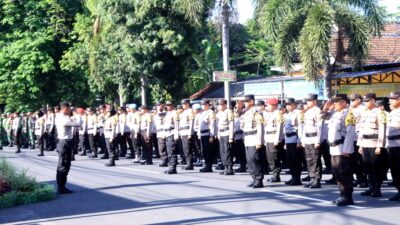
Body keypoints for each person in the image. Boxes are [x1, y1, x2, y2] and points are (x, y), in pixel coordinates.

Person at [321, 94, 356, 206]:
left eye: (337, 102)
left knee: (344, 173)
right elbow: (322, 116)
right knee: (337, 173)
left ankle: (348, 197)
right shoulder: (334, 114)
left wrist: (347, 149)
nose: (334, 104)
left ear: (344, 103)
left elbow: (350, 133)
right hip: (333, 148)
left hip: (342, 148)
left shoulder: (348, 113)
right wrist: (326, 107)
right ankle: (342, 195)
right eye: (334, 102)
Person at [358, 93, 386, 198]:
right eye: (364, 101)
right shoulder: (364, 113)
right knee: (368, 167)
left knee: (376, 167)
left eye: (367, 101)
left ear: (373, 101)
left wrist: (380, 145)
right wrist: (360, 145)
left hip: (374, 143)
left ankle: (377, 189)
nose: (365, 103)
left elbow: (382, 130)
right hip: (365, 143)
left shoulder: (380, 113)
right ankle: (371, 187)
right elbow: (361, 129)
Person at [241, 95, 264, 188]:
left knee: (255, 159)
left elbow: (260, 127)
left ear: (252, 101)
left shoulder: (257, 113)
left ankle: (259, 179)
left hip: (254, 137)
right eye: (245, 101)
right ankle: (254, 178)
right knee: (249, 160)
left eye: (247, 101)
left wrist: (259, 141)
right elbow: (243, 126)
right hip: (247, 138)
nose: (245, 103)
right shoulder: (246, 113)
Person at [55, 101, 79, 194]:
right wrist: (76, 114)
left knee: (62, 165)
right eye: (69, 109)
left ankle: (61, 186)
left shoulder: (59, 116)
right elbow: (78, 123)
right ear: (65, 109)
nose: (70, 111)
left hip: (62, 142)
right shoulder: (64, 118)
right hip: (65, 142)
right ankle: (61, 188)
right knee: (64, 165)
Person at [301, 94, 323, 188]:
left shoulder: (318, 111)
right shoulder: (307, 112)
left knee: (316, 160)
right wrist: (303, 139)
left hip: (314, 139)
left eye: (309, 101)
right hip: (307, 139)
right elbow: (305, 127)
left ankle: (317, 180)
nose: (307, 102)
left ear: (314, 101)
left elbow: (320, 127)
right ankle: (312, 178)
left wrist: (318, 141)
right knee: (309, 159)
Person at [349, 93, 368, 188]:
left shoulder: (363, 109)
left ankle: (364, 179)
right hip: (353, 137)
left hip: (361, 137)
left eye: (353, 100)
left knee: (361, 160)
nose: (351, 102)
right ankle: (359, 178)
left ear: (358, 100)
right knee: (354, 160)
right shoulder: (352, 109)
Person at [264, 98, 284, 183]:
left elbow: (279, 127)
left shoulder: (278, 114)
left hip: (274, 137)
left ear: (273, 105)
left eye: (268, 105)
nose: (267, 106)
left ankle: (276, 175)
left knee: (275, 157)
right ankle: (273, 173)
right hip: (268, 138)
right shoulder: (267, 114)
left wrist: (277, 139)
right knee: (269, 157)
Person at [284, 98, 303, 186]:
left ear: (294, 104)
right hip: (288, 139)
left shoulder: (298, 113)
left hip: (295, 139)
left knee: (296, 160)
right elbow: (286, 129)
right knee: (290, 160)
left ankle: (297, 178)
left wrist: (299, 141)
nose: (288, 106)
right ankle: (293, 177)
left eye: (290, 104)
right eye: (287, 104)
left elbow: (300, 127)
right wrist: (285, 142)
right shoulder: (287, 115)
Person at [386, 91, 400, 201]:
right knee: (395, 170)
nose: (390, 101)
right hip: (392, 145)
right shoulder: (392, 113)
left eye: (393, 98)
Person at [215, 99, 234, 175]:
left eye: (222, 104)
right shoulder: (219, 113)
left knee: (227, 151)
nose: (220, 106)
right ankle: (225, 167)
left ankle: (230, 168)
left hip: (227, 133)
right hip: (221, 133)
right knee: (222, 151)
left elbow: (231, 124)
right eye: (219, 105)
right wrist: (218, 134)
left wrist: (231, 136)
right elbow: (218, 125)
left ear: (225, 105)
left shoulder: (228, 112)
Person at [197, 99, 216, 173]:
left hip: (208, 134)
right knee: (204, 150)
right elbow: (199, 125)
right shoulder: (202, 113)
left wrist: (211, 135)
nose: (202, 106)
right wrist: (199, 134)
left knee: (208, 151)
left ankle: (209, 166)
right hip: (202, 134)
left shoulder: (211, 112)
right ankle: (206, 165)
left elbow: (212, 124)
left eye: (204, 105)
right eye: (202, 105)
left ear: (207, 105)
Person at [179, 99, 195, 170]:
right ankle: (187, 163)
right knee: (185, 149)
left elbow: (191, 122)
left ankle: (190, 164)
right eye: (182, 104)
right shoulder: (183, 112)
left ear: (188, 104)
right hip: (183, 132)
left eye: (184, 104)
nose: (183, 105)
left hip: (187, 132)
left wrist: (190, 133)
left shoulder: (190, 111)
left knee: (188, 149)